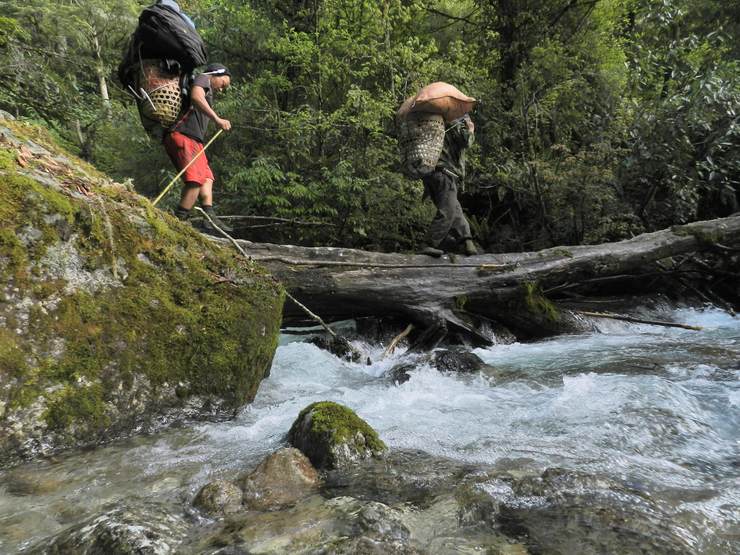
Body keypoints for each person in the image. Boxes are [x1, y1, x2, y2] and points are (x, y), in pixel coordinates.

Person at [163, 62, 233, 233]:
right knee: (195, 180)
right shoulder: (203, 78)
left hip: (195, 141)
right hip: (183, 135)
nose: (222, 89)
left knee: (207, 177)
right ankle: (178, 221)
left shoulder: (207, 84)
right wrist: (217, 119)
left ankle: (209, 217)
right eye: (223, 84)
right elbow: (196, 97)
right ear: (215, 75)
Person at [419, 113, 478, 257]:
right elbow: (466, 142)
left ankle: (467, 242)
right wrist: (470, 129)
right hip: (445, 172)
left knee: (454, 208)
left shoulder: (434, 122)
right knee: (449, 209)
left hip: (431, 171)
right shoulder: (453, 120)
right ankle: (428, 244)